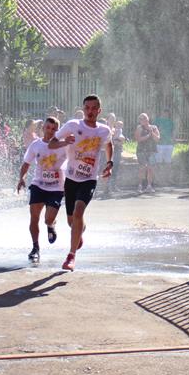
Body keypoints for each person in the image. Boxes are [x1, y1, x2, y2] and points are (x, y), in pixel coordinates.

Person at [48, 94, 113, 271]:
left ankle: (71, 257)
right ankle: (79, 233)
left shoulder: (104, 130)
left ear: (99, 110)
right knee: (72, 221)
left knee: (78, 212)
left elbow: (108, 144)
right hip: (70, 179)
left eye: (94, 108)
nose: (90, 111)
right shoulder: (73, 125)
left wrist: (109, 163)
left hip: (89, 180)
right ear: (83, 109)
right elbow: (52, 144)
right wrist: (63, 142)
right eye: (87, 108)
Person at [16, 117, 69, 262]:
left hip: (56, 187)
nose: (50, 131)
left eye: (54, 129)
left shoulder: (63, 146)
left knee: (48, 219)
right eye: (48, 128)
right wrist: (21, 178)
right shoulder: (36, 145)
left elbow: (73, 161)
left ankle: (51, 225)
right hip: (38, 185)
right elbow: (26, 163)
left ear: (58, 131)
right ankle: (35, 248)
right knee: (34, 217)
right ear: (43, 128)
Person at [134, 113, 160, 193]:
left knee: (150, 169)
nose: (143, 120)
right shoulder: (139, 128)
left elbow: (157, 139)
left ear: (148, 118)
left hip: (152, 151)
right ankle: (140, 186)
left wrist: (151, 132)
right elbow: (138, 139)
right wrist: (148, 136)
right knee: (142, 168)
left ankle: (149, 186)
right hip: (141, 151)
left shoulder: (154, 127)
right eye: (141, 119)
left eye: (144, 118)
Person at [153, 108, 175, 186]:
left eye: (167, 112)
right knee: (158, 162)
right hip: (159, 144)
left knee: (168, 163)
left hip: (169, 144)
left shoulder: (171, 122)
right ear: (162, 112)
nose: (166, 114)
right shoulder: (157, 120)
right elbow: (153, 130)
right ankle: (157, 179)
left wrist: (173, 141)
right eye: (164, 112)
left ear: (169, 114)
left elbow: (173, 132)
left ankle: (168, 179)